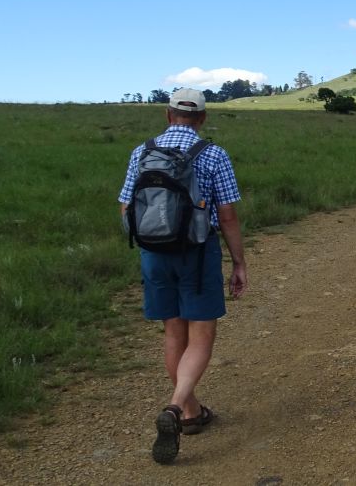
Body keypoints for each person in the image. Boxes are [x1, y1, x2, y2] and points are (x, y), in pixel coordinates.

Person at [117, 88, 248, 465]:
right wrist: (238, 262)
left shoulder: (141, 152)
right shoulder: (213, 154)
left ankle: (191, 413)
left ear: (167, 114)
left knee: (174, 332)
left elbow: (126, 208)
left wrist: (153, 242)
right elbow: (227, 217)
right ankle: (176, 408)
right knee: (201, 335)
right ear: (203, 119)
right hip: (197, 252)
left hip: (154, 254)